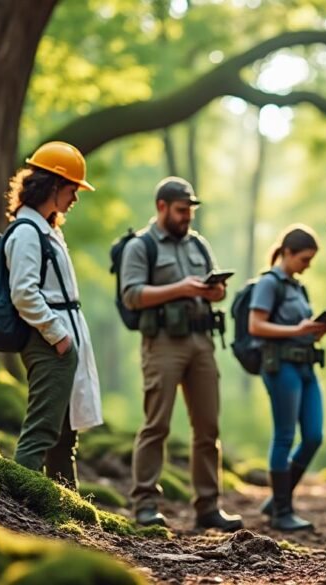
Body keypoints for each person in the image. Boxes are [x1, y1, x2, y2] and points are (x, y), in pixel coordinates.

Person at [119, 176, 242, 531]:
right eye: (181, 210)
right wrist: (180, 288)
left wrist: (214, 292)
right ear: (162, 207)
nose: (187, 216)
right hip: (162, 343)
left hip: (201, 341)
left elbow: (214, 291)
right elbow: (132, 295)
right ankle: (144, 503)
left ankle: (208, 505)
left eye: (190, 210)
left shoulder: (198, 245)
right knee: (156, 423)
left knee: (208, 427)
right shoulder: (141, 247)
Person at [4, 141, 103, 490]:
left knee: (64, 431)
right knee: (44, 428)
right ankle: (24, 497)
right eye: (72, 189)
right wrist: (58, 335)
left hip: (61, 334)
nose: (75, 198)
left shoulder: (47, 230)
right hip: (48, 339)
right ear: (53, 185)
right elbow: (24, 293)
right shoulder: (27, 233)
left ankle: (65, 501)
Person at [248, 226, 326, 532]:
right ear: (287, 253)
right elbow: (256, 326)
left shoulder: (298, 287)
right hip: (280, 366)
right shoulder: (268, 284)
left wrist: (315, 330)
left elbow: (299, 326)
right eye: (305, 259)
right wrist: (297, 331)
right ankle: (282, 511)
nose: (308, 265)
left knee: (313, 436)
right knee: (285, 435)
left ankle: (276, 500)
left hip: (306, 367)